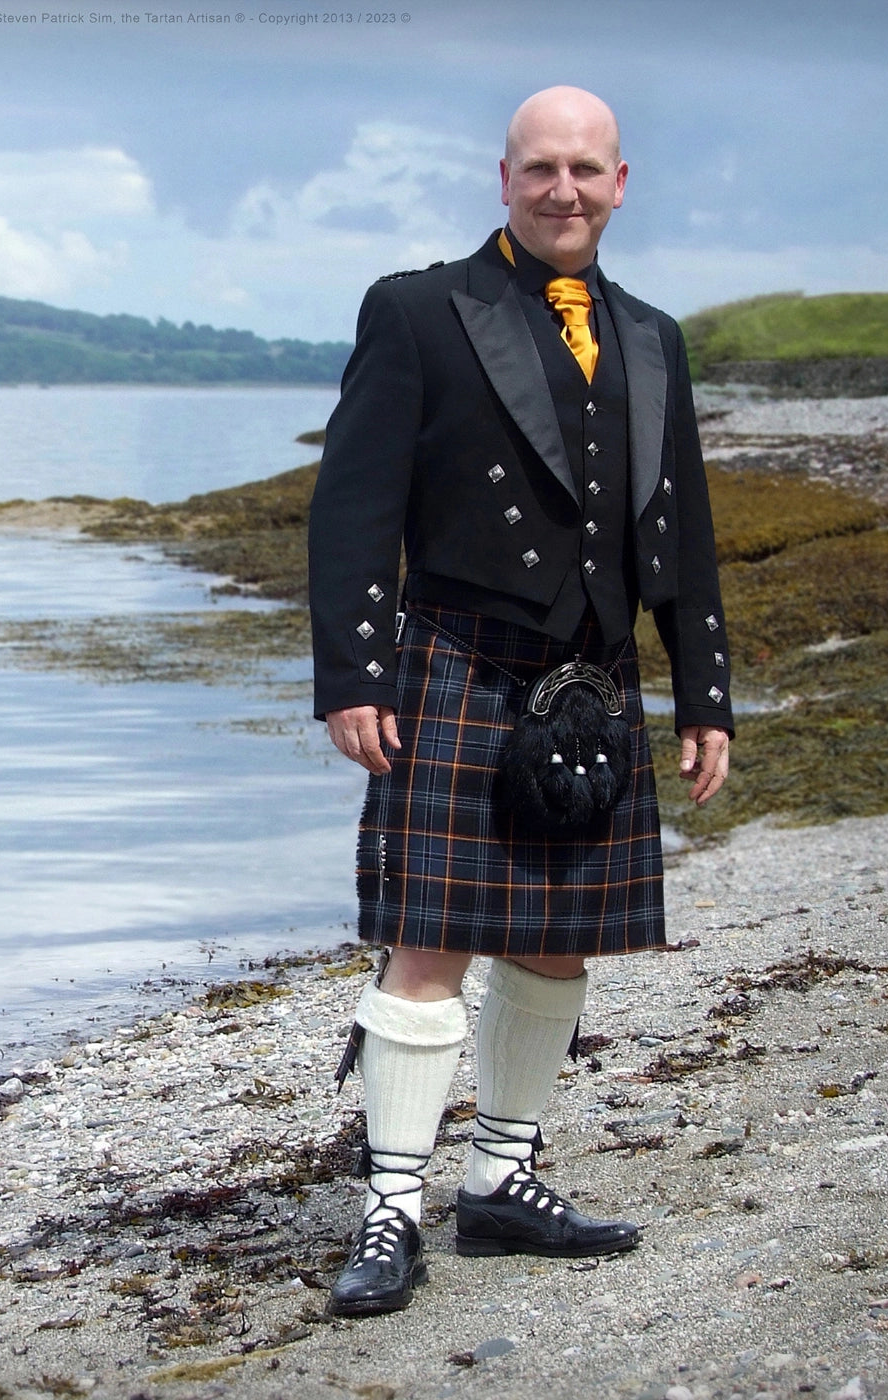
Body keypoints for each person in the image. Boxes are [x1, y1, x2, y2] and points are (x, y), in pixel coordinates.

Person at [307, 86, 733, 1318]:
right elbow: (352, 504)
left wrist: (701, 691)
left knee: (554, 938)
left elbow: (681, 523)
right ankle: (392, 1205)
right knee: (428, 941)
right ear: (502, 179)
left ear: (618, 183)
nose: (562, 190)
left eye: (584, 170)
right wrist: (354, 674)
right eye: (539, 168)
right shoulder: (420, 310)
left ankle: (498, 1177)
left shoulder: (649, 336)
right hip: (458, 661)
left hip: (593, 682)